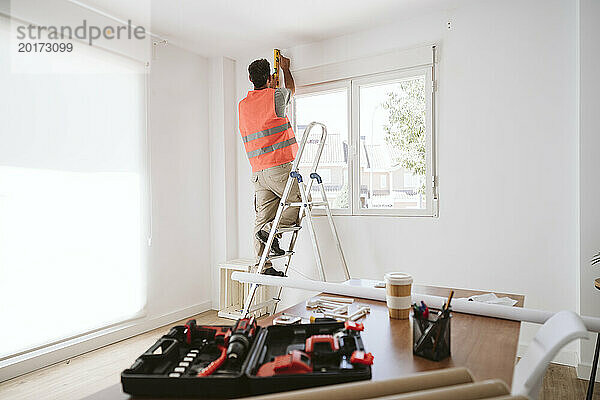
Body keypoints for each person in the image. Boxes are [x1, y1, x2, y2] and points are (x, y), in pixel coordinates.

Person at [238, 54, 301, 276]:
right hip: (278, 167)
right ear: (268, 78)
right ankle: (269, 232)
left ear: (249, 78)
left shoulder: (243, 105)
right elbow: (291, 90)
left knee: (262, 217)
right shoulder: (274, 97)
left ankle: (262, 265)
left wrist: (268, 88)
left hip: (257, 171)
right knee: (297, 205)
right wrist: (285, 70)